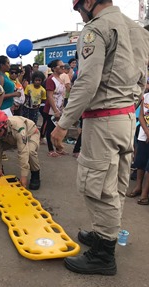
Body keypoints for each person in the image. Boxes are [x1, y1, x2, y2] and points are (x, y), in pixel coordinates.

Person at [51, 0, 149, 275]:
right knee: (114, 184)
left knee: (98, 188)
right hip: (126, 117)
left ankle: (104, 254)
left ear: (90, 2)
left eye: (77, 6)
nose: (77, 12)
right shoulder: (138, 30)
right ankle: (103, 233)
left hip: (103, 119)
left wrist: (62, 124)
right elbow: (142, 80)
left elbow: (88, 82)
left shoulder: (96, 29)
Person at [0, 109, 41, 190]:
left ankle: (35, 174)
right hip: (10, 138)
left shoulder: (19, 129)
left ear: (5, 125)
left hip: (30, 134)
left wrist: (23, 176)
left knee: (30, 152)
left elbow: (23, 152)